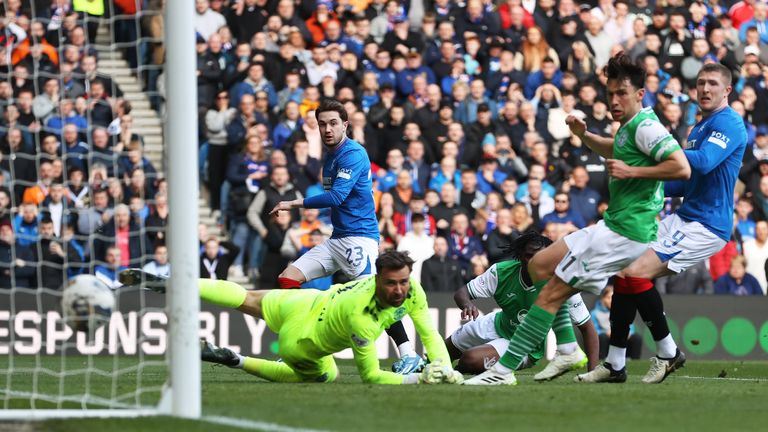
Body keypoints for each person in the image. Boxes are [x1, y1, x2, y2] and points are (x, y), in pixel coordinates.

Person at [462, 53, 691, 385]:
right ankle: (568, 349)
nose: (614, 100)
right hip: (611, 225)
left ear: (640, 94)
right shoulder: (628, 127)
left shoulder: (647, 126)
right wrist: (583, 135)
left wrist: (632, 171)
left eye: (621, 93)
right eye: (610, 92)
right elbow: (614, 149)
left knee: (550, 293)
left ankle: (502, 372)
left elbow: (680, 167)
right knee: (539, 265)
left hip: (626, 234)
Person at [581, 63, 748, 384]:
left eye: (713, 83)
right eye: (700, 83)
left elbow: (703, 161)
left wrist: (657, 151)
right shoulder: (701, 126)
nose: (705, 89)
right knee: (625, 271)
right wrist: (651, 183)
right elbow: (686, 181)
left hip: (707, 225)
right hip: (685, 216)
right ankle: (616, 363)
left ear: (727, 90)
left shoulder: (729, 123)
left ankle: (667, 351)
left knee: (634, 272)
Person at [120, 251, 463, 385]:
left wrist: (444, 366)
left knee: (246, 296)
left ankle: (174, 284)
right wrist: (418, 380)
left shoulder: (412, 289)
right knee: (325, 374)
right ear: (376, 281)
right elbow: (372, 376)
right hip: (301, 340)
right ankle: (234, 359)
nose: (400, 289)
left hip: (304, 301)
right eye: (392, 284)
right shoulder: (364, 320)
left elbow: (430, 334)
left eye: (404, 281)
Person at [267, 99, 421, 373]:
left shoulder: (353, 154)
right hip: (338, 238)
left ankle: (409, 354)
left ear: (345, 125)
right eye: (322, 123)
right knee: (287, 278)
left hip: (360, 238)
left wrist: (292, 203)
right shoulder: (331, 157)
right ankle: (299, 348)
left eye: (333, 123)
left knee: (378, 297)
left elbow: (337, 197)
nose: (327, 129)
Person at [449, 232, 599, 381]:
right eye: (528, 255)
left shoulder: (561, 285)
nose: (534, 261)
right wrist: (467, 304)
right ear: (520, 255)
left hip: (525, 346)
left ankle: (456, 373)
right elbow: (462, 293)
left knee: (470, 360)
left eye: (540, 256)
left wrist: (592, 373)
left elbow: (587, 328)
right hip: (497, 324)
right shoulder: (501, 272)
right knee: (443, 350)